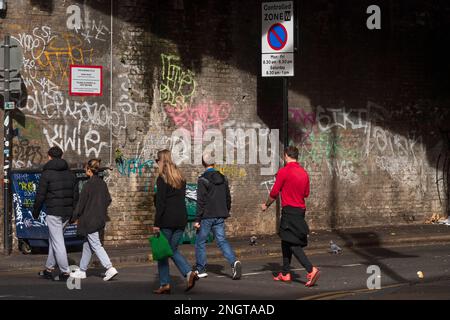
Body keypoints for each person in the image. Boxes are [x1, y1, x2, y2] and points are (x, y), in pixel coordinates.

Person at [261, 146, 320, 287]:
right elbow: (306, 193)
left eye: (284, 156)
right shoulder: (304, 173)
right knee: (286, 240)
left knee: (293, 243)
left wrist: (266, 205)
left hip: (289, 212)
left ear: (286, 156)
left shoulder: (284, 172)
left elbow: (274, 192)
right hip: (300, 211)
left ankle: (311, 269)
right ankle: (286, 273)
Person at [152, 150, 198, 294]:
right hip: (181, 219)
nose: (156, 163)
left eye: (156, 160)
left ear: (161, 161)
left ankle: (166, 283)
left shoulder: (162, 178)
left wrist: (156, 223)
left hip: (167, 220)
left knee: (163, 252)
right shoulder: (180, 177)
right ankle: (188, 274)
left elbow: (161, 204)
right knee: (172, 250)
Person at [33, 146, 78, 281]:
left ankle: (65, 272)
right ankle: (49, 268)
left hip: (53, 212)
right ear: (61, 156)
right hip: (66, 213)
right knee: (54, 239)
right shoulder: (71, 174)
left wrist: (35, 211)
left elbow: (40, 195)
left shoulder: (47, 174)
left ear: (49, 156)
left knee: (57, 241)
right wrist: (74, 215)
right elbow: (76, 196)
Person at [193, 154, 242, 280]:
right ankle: (233, 262)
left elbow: (200, 201)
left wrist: (197, 219)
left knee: (200, 241)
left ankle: (201, 269)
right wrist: (226, 210)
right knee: (221, 241)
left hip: (206, 216)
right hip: (220, 215)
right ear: (214, 163)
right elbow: (228, 197)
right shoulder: (223, 178)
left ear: (203, 163)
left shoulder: (202, 179)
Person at [70, 159, 118, 281]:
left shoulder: (88, 185)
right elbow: (108, 200)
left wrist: (74, 217)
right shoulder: (102, 184)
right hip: (99, 218)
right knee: (88, 244)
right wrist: (100, 209)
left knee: (96, 245)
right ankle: (82, 270)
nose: (85, 171)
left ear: (89, 170)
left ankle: (109, 268)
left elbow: (81, 204)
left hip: (90, 220)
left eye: (86, 169)